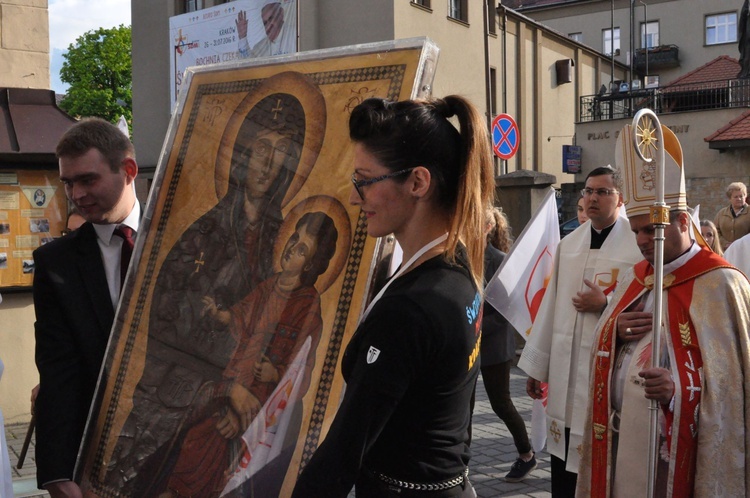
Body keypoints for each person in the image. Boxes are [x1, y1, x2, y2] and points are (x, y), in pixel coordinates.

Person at [108, 88, 322, 492]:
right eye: (261, 147)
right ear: (241, 152)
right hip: (186, 412)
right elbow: (167, 332)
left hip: (254, 413)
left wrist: (252, 396)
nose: (268, 162)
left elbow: (290, 332)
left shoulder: (284, 239)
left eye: (282, 150)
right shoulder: (200, 236)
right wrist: (222, 392)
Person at [292, 95, 494, 497]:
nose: (354, 197)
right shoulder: (458, 269)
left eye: (364, 181)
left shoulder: (414, 307)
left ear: (417, 182)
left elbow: (342, 453)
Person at [577, 123, 750, 497]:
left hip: (678, 449)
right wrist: (616, 327)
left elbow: (734, 387)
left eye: (651, 230)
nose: (642, 242)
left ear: (684, 221)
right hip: (622, 440)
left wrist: (678, 391)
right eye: (637, 231)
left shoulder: (722, 284)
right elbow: (603, 343)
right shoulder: (636, 277)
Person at [153, 212, 338, 498]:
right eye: (294, 238)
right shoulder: (269, 285)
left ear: (311, 264)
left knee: (221, 458)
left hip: (266, 400)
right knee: (194, 441)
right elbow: (241, 314)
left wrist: (276, 375)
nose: (292, 248)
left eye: (302, 249)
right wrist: (221, 315)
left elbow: (304, 365)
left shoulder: (309, 305)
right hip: (235, 376)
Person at [518, 165, 641, 497]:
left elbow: (647, 308)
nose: (592, 198)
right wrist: (537, 367)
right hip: (565, 374)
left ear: (621, 198)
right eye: (588, 191)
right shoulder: (568, 244)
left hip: (606, 378)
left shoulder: (637, 246)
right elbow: (550, 309)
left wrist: (606, 303)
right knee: (563, 475)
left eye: (602, 192)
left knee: (601, 469)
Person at [33, 117, 139, 498]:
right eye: (68, 183)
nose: (76, 194)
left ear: (127, 170)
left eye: (87, 180)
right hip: (101, 461)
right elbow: (58, 369)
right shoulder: (55, 264)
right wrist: (56, 472)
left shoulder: (187, 237)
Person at [472, 207, 535, 483]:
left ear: (487, 228)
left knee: (501, 403)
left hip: (493, 345)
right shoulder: (462, 258)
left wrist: (474, 328)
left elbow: (507, 308)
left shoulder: (498, 260)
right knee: (463, 405)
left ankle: (527, 455)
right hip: (466, 345)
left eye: (472, 223)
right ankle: (458, 462)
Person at [713, 181, 750, 249]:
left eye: (741, 196)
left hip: (746, 250)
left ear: (745, 196)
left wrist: (740, 244)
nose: (739, 199)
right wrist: (725, 243)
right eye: (736, 197)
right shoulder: (722, 214)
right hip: (726, 251)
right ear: (730, 198)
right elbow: (715, 231)